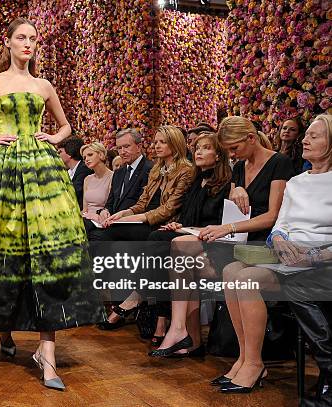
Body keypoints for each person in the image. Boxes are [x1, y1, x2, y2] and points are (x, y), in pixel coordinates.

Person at [0, 17, 104, 390]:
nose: (28, 44)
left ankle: (48, 351)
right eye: (21, 38)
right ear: (8, 42)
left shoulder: (44, 85)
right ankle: (4, 330)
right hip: (3, 171)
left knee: (47, 253)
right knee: (3, 251)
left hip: (43, 171)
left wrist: (52, 137)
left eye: (33, 39)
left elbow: (66, 128)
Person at [205, 116, 294, 394]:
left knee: (237, 275)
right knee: (230, 272)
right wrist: (237, 187)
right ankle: (245, 358)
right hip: (245, 243)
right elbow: (235, 194)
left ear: (251, 139)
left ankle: (254, 362)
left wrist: (227, 227)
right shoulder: (240, 166)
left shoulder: (279, 163)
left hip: (271, 241)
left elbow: (272, 216)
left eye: (234, 149)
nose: (231, 155)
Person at [97, 126, 194, 338]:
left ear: (175, 144)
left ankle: (136, 297)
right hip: (150, 222)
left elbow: (169, 209)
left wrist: (134, 218)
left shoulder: (186, 169)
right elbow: (143, 202)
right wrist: (123, 214)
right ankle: (106, 298)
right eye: (156, 141)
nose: (156, 146)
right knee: (100, 234)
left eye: (162, 142)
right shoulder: (157, 168)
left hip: (168, 223)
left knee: (152, 240)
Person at [146, 132, 232, 357]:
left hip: (215, 240)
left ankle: (172, 325)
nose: (199, 151)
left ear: (219, 154)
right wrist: (178, 225)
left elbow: (219, 222)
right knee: (159, 239)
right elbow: (190, 218)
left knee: (168, 247)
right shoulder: (196, 180)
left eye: (206, 148)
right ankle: (187, 337)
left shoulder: (227, 183)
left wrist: (185, 230)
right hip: (191, 236)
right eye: (197, 147)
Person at [277, 114, 332, 405]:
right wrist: (280, 241)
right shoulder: (296, 182)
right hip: (294, 258)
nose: (305, 139)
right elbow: (280, 224)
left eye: (315, 135)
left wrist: (314, 256)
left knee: (298, 284)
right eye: (306, 134)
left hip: (325, 258)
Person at [88, 128, 153, 242]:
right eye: (119, 148)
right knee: (83, 226)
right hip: (113, 221)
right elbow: (110, 202)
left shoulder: (150, 169)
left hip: (135, 223)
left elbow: (144, 205)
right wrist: (105, 211)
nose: (122, 152)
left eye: (126, 146)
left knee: (96, 236)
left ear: (139, 146)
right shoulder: (119, 172)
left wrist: (119, 217)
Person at [80, 142, 113, 231]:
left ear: (101, 155)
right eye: (84, 158)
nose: (86, 159)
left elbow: (111, 206)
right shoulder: (87, 179)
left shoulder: (113, 177)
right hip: (86, 219)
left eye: (90, 155)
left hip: (101, 221)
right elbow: (85, 209)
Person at [57, 136, 93, 210]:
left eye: (60, 152)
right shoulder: (69, 171)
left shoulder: (84, 169)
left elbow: (74, 193)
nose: (57, 155)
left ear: (69, 153)